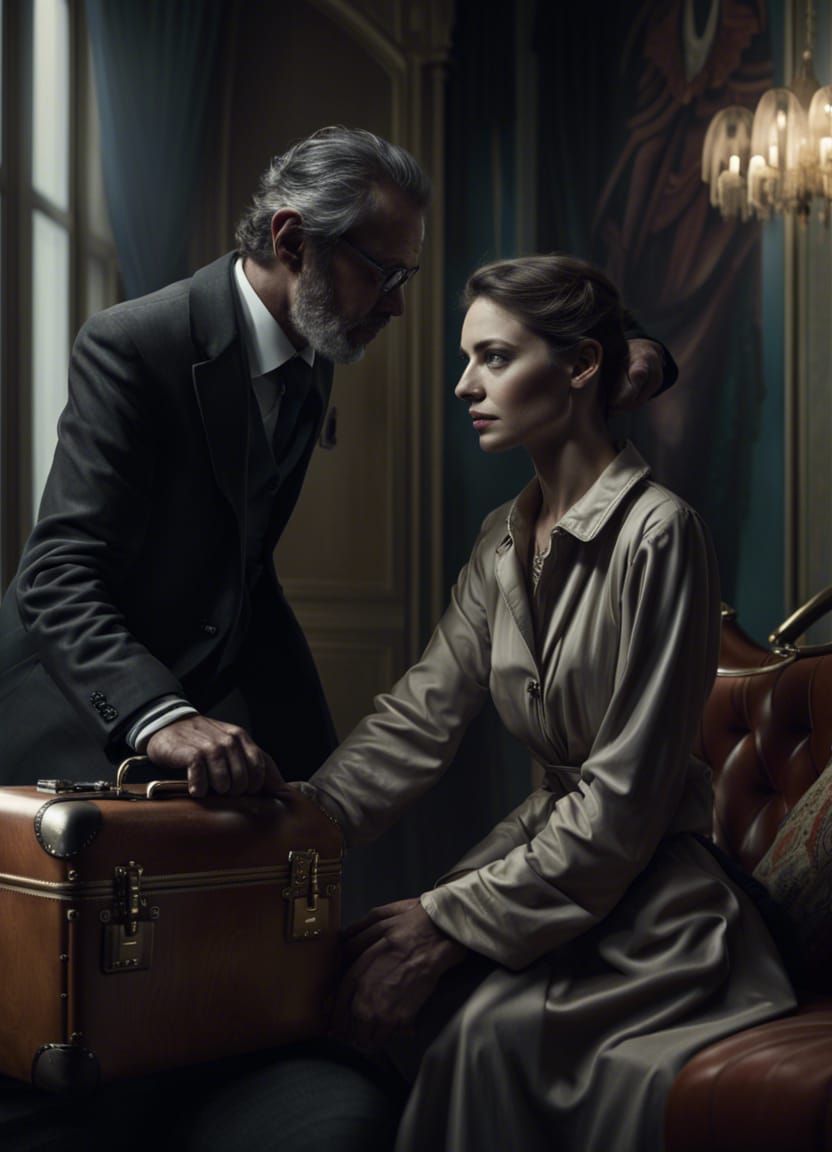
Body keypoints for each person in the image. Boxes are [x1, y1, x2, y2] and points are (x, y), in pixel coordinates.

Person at [0, 126, 671, 797]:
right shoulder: (133, 344)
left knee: (318, 833)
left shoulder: (315, 343)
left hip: (200, 701)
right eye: (384, 274)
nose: (398, 304)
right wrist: (158, 714)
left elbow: (245, 565)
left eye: (404, 277)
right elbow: (55, 574)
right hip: (72, 711)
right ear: (292, 242)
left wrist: (628, 345)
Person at [297, 254, 797, 1152]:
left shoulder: (661, 535)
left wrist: (449, 917)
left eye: (492, 357)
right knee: (379, 995)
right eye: (466, 359)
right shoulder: (501, 542)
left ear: (578, 367)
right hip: (544, 868)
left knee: (484, 1040)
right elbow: (420, 715)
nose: (462, 384)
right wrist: (301, 825)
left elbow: (624, 805)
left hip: (653, 906)